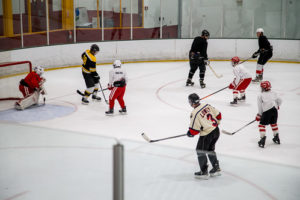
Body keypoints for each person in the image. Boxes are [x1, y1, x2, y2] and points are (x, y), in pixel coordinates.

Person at [186, 93, 222, 179]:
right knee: (210, 149)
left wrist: (190, 133)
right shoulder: (206, 105)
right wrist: (215, 123)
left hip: (207, 134)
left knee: (200, 150)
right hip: (216, 131)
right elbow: (219, 115)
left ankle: (204, 172)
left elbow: (194, 131)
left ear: (191, 102)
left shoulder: (194, 113)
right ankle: (216, 168)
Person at [256, 81, 282, 148]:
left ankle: (262, 139)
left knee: (261, 125)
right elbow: (280, 100)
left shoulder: (260, 95)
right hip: (275, 110)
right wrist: (277, 105)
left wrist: (259, 114)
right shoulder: (274, 92)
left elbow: (260, 106)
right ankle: (276, 137)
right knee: (273, 124)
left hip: (267, 111)